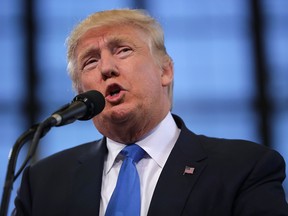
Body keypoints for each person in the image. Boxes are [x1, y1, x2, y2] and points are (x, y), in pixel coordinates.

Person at [13, 8, 288, 216]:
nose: (106, 68)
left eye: (122, 50)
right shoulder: (42, 184)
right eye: (91, 61)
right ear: (80, 90)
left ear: (165, 71)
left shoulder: (243, 168)